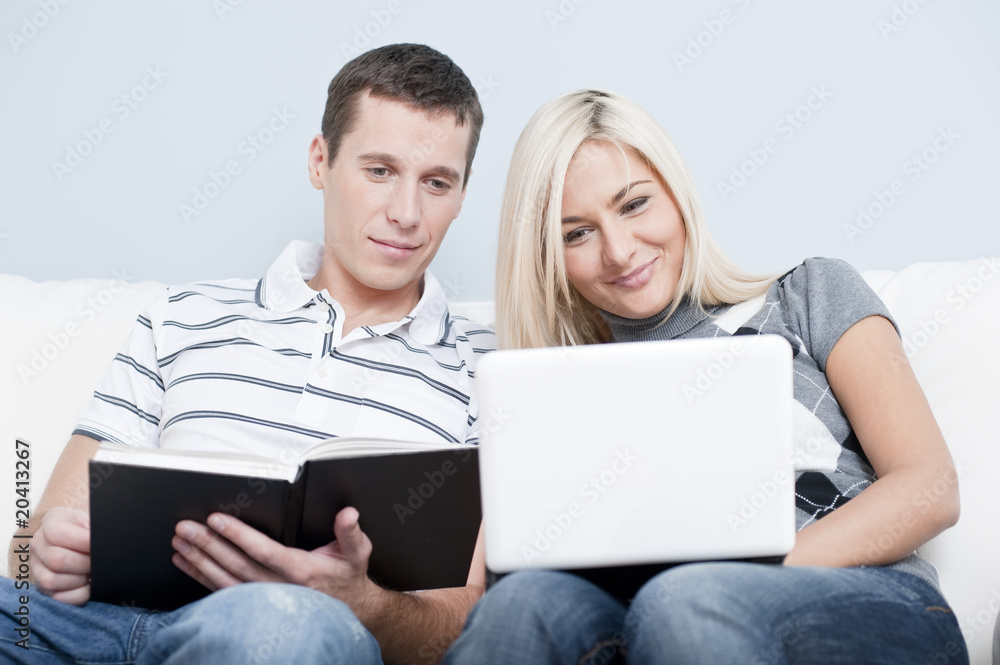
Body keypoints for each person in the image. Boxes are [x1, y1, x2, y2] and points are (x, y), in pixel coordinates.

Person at [1, 43, 494, 665]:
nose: (405, 214)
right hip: (91, 629)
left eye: (437, 183)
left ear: (463, 192)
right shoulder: (181, 315)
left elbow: (461, 626)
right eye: (379, 171)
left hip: (288, 637)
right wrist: (45, 551)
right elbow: (29, 541)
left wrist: (360, 602)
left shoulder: (487, 371)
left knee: (284, 625)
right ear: (321, 161)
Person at [442, 89, 968, 664]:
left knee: (687, 597)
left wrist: (753, 568)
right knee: (520, 604)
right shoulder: (550, 390)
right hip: (648, 616)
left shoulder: (809, 294)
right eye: (576, 233)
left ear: (677, 194)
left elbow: (929, 487)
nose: (619, 251)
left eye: (634, 204)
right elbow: (495, 578)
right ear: (547, 256)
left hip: (869, 600)